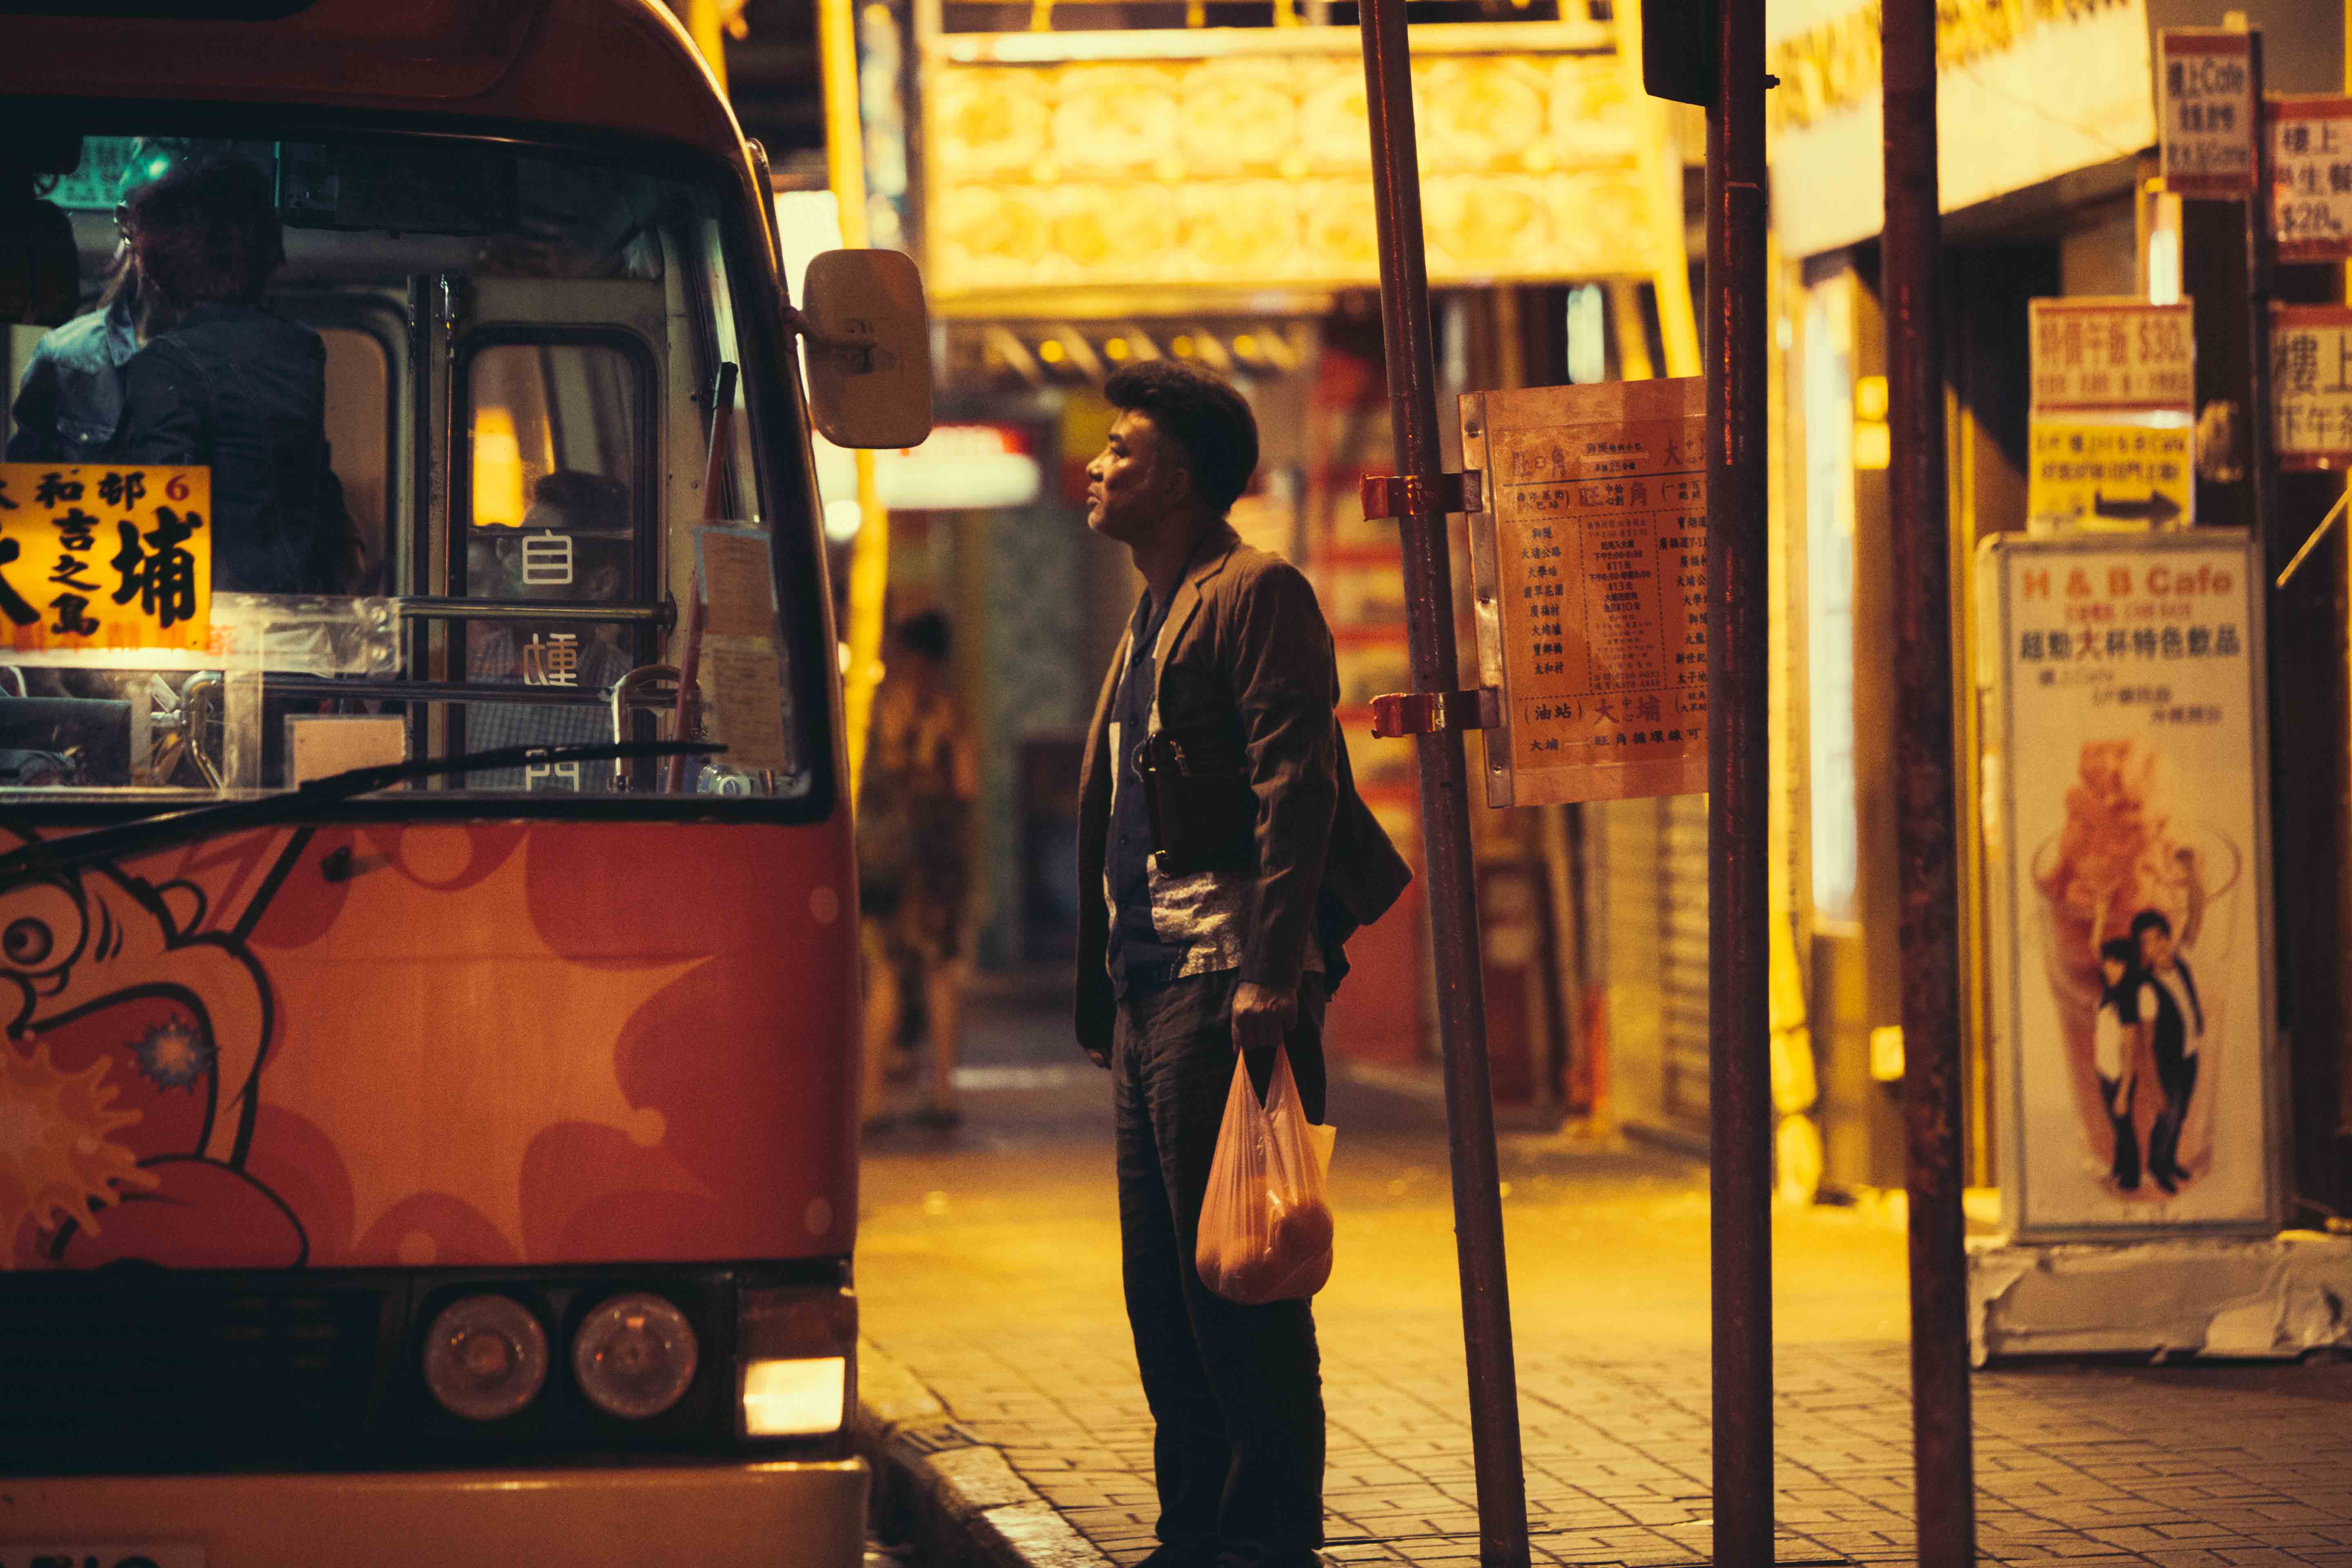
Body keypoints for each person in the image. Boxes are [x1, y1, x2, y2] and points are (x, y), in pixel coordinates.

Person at [1075, 360, 1410, 1568]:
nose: (1098, 467)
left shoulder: (1254, 593)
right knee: (1163, 1290)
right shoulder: (1151, 609)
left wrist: (1272, 969)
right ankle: (1193, 1533)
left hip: (1227, 983)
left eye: (1124, 450)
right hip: (1151, 986)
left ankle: (1266, 1539)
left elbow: (1298, 780)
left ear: (1184, 479)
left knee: (1243, 1281)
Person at [104, 155, 357, 594]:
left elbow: (160, 513)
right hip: (296, 612)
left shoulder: (167, 363)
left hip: (211, 620)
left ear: (162, 264)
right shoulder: (299, 349)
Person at [857, 610, 977, 1132]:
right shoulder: (952, 712)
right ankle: (944, 1091)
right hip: (939, 862)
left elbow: (868, 782)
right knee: (939, 974)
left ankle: (873, 1100)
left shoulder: (884, 708)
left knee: (884, 974)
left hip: (891, 862)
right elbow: (967, 788)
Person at [2134, 861, 2205, 1196]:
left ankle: (2170, 1161)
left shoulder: (2181, 961)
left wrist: (2192, 881)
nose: (2158, 946)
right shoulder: (2148, 988)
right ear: (2143, 950)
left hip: (2190, 1052)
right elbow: (2146, 1044)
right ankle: (2157, 1167)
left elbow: (2195, 918)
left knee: (2182, 1113)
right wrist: (2154, 1086)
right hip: (2168, 1062)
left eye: (2161, 937)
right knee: (2168, 1114)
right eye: (2148, 943)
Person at [2091, 935, 2146, 1192]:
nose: (2110, 968)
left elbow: (2130, 1052)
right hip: (2105, 1072)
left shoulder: (2128, 1001)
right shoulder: (2108, 993)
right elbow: (2096, 948)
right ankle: (2119, 1170)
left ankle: (2130, 1179)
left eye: (2117, 964)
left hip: (2118, 1075)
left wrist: (2124, 1092)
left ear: (2128, 966)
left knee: (2124, 1128)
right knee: (2117, 1127)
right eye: (2108, 963)